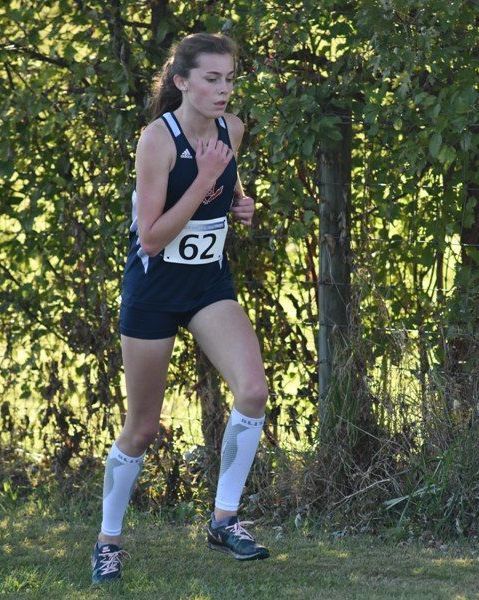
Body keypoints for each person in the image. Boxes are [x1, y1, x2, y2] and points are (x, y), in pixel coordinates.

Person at [91, 32, 270, 585]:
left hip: (207, 285)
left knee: (254, 391)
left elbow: (226, 192)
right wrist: (208, 182)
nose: (224, 90)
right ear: (182, 82)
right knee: (143, 428)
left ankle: (223, 521)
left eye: (230, 78)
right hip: (153, 290)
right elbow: (150, 237)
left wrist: (239, 202)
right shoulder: (157, 141)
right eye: (212, 79)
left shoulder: (231, 129)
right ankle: (108, 541)